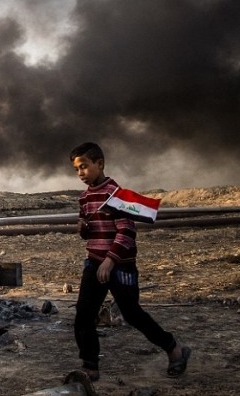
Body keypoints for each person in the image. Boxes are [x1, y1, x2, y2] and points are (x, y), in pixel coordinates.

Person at [70, 142, 191, 381]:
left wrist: (110, 261)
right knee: (84, 314)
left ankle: (174, 349)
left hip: (119, 265)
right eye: (76, 169)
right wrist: (83, 229)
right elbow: (90, 232)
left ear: (99, 164)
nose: (80, 173)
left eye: (84, 167)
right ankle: (90, 366)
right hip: (94, 262)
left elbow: (126, 231)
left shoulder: (116, 195)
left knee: (132, 313)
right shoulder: (85, 197)